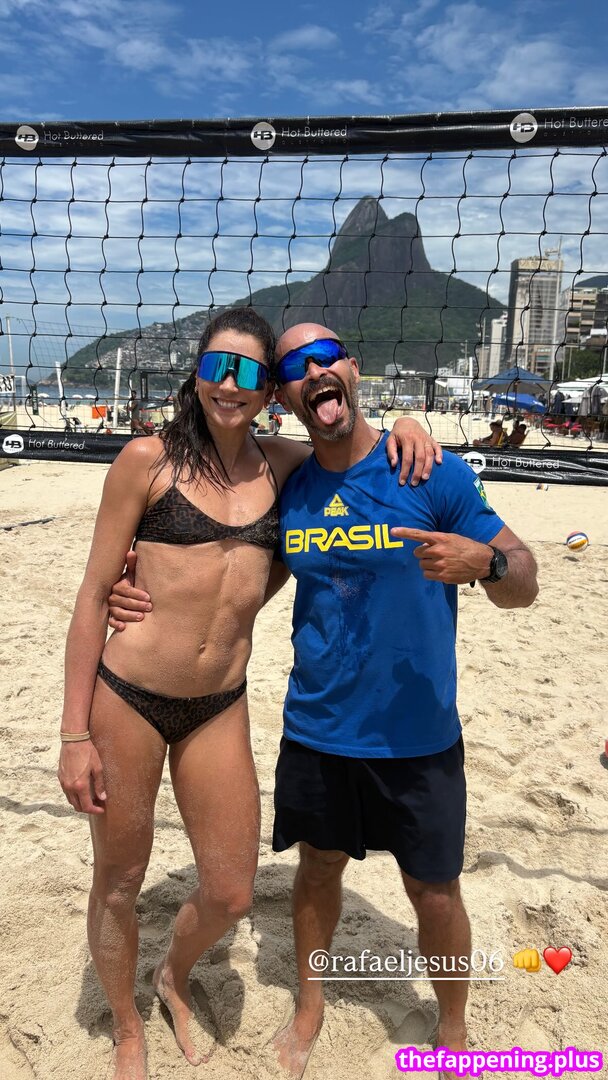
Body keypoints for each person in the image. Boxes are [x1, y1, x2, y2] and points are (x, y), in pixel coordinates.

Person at [110, 323, 538, 1080]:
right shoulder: (294, 482)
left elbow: (525, 580)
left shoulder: (428, 470)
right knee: (316, 871)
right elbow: (234, 567)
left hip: (417, 732)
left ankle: (453, 1028)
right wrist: (140, 594)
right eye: (294, 367)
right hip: (318, 726)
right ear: (284, 394)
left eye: (325, 357)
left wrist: (489, 562)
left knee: (435, 892)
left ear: (353, 369)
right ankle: (308, 1007)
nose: (313, 372)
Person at [58, 308, 439, 1080]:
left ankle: (171, 974)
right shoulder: (147, 461)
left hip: (218, 704)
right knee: (120, 880)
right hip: (128, 695)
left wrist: (409, 421)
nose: (229, 385)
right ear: (197, 375)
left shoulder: (286, 466)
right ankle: (128, 1029)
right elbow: (95, 596)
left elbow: (352, 448)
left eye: (249, 373)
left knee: (232, 893)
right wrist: (73, 736)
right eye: (217, 367)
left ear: (270, 391)